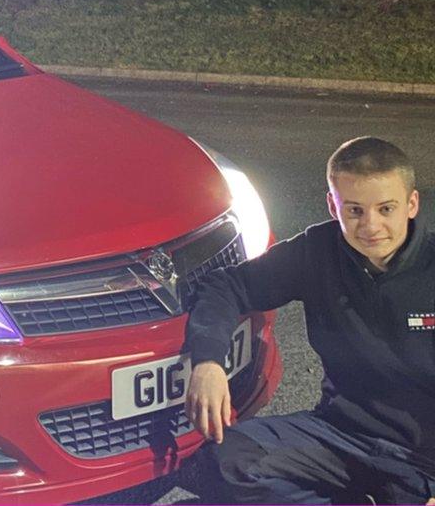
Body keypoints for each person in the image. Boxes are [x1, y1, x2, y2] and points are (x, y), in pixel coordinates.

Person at [183, 136, 435, 504]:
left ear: (411, 205)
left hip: (422, 458)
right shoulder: (317, 252)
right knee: (222, 461)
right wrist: (207, 362)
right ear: (333, 206)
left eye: (386, 209)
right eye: (354, 210)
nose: (370, 226)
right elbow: (228, 285)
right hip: (338, 433)